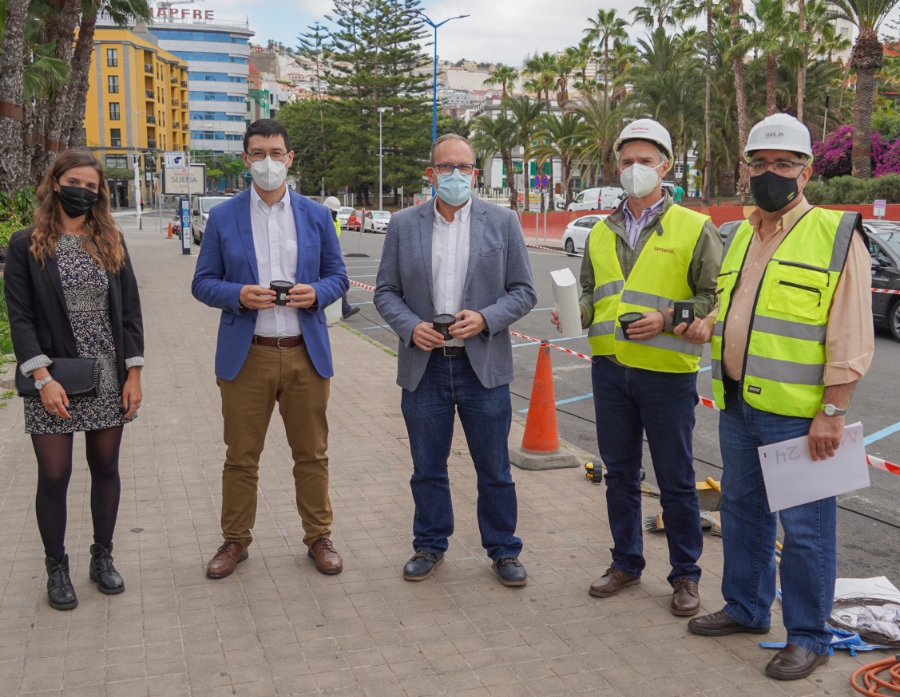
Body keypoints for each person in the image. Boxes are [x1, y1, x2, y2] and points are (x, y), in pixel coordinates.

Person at [679, 113, 874, 681]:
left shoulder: (837, 235)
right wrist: (707, 325)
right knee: (742, 513)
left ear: (806, 171)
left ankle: (809, 635)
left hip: (800, 414)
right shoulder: (742, 233)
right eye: (760, 163)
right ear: (747, 170)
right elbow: (738, 309)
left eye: (783, 164)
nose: (770, 174)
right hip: (738, 404)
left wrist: (833, 412)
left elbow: (851, 338)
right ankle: (745, 608)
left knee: (807, 530)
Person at [552, 119, 722, 615]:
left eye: (644, 161)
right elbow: (592, 292)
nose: (634, 170)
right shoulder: (601, 231)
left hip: (668, 374)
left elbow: (715, 297)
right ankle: (626, 561)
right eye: (626, 162)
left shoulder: (695, 226)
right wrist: (575, 311)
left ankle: (686, 576)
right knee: (619, 475)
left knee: (675, 479)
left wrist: (668, 319)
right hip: (609, 370)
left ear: (665, 166)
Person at [374, 133, 537, 586]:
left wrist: (485, 318)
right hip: (424, 366)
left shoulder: (502, 222)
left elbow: (524, 291)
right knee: (427, 467)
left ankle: (504, 550)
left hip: (481, 367)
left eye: (463, 167)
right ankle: (429, 544)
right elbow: (385, 291)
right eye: (445, 168)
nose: (455, 175)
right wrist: (411, 327)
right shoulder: (404, 224)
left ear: (475, 174)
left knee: (495, 469)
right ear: (430, 174)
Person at [192, 119, 349, 580]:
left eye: (275, 153)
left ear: (289, 158)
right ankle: (235, 540)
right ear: (245, 160)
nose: (267, 162)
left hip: (305, 351)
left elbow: (338, 276)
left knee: (312, 454)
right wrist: (238, 295)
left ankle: (319, 536)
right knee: (241, 456)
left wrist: (316, 294)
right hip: (248, 353)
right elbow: (202, 282)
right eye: (257, 153)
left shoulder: (317, 216)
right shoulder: (223, 217)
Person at [4, 148, 145, 611]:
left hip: (107, 372)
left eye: (91, 186)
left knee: (106, 468)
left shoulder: (110, 241)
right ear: (55, 181)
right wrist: (42, 377)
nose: (81, 191)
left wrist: (134, 374)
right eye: (74, 182)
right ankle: (56, 566)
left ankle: (102, 557)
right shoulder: (26, 245)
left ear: (99, 192)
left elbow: (129, 315)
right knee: (54, 473)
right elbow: (20, 318)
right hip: (53, 376)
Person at [324, 195, 360, 320]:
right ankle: (343, 309)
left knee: (339, 279)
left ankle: (345, 309)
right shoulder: (319, 218)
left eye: (334, 212)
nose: (333, 214)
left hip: (332, 253)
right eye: (332, 211)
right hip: (321, 254)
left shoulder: (336, 221)